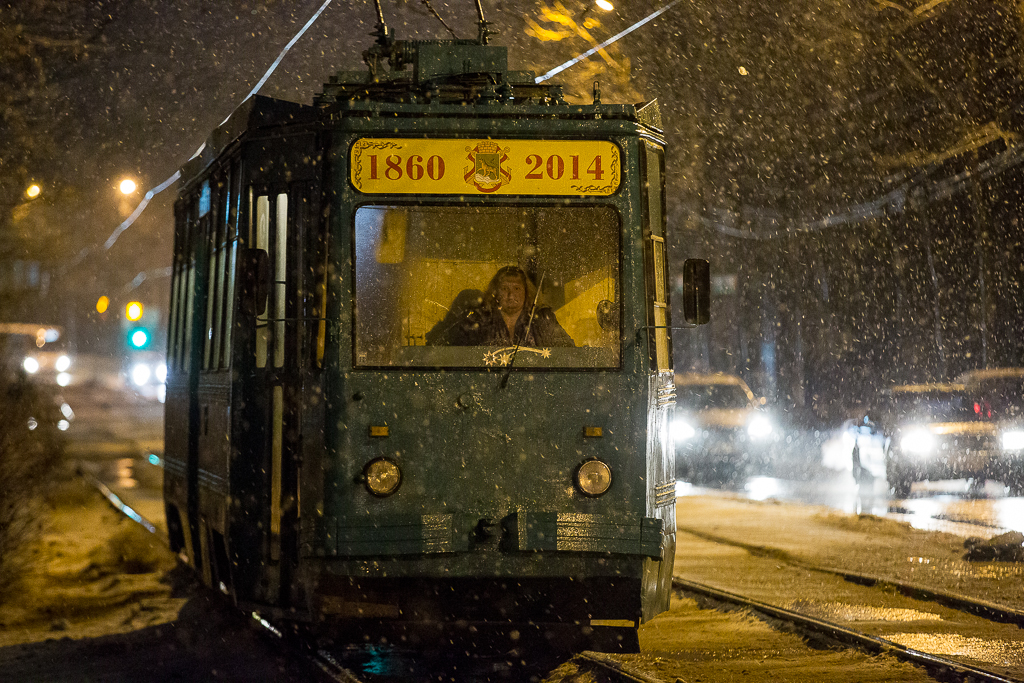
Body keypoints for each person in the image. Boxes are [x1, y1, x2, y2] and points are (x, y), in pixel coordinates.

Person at [426, 266, 574, 347]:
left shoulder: (542, 320)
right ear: (495, 292)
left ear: (526, 292)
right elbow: (440, 349)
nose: (511, 295)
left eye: (516, 289)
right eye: (505, 289)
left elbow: (568, 353)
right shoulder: (479, 319)